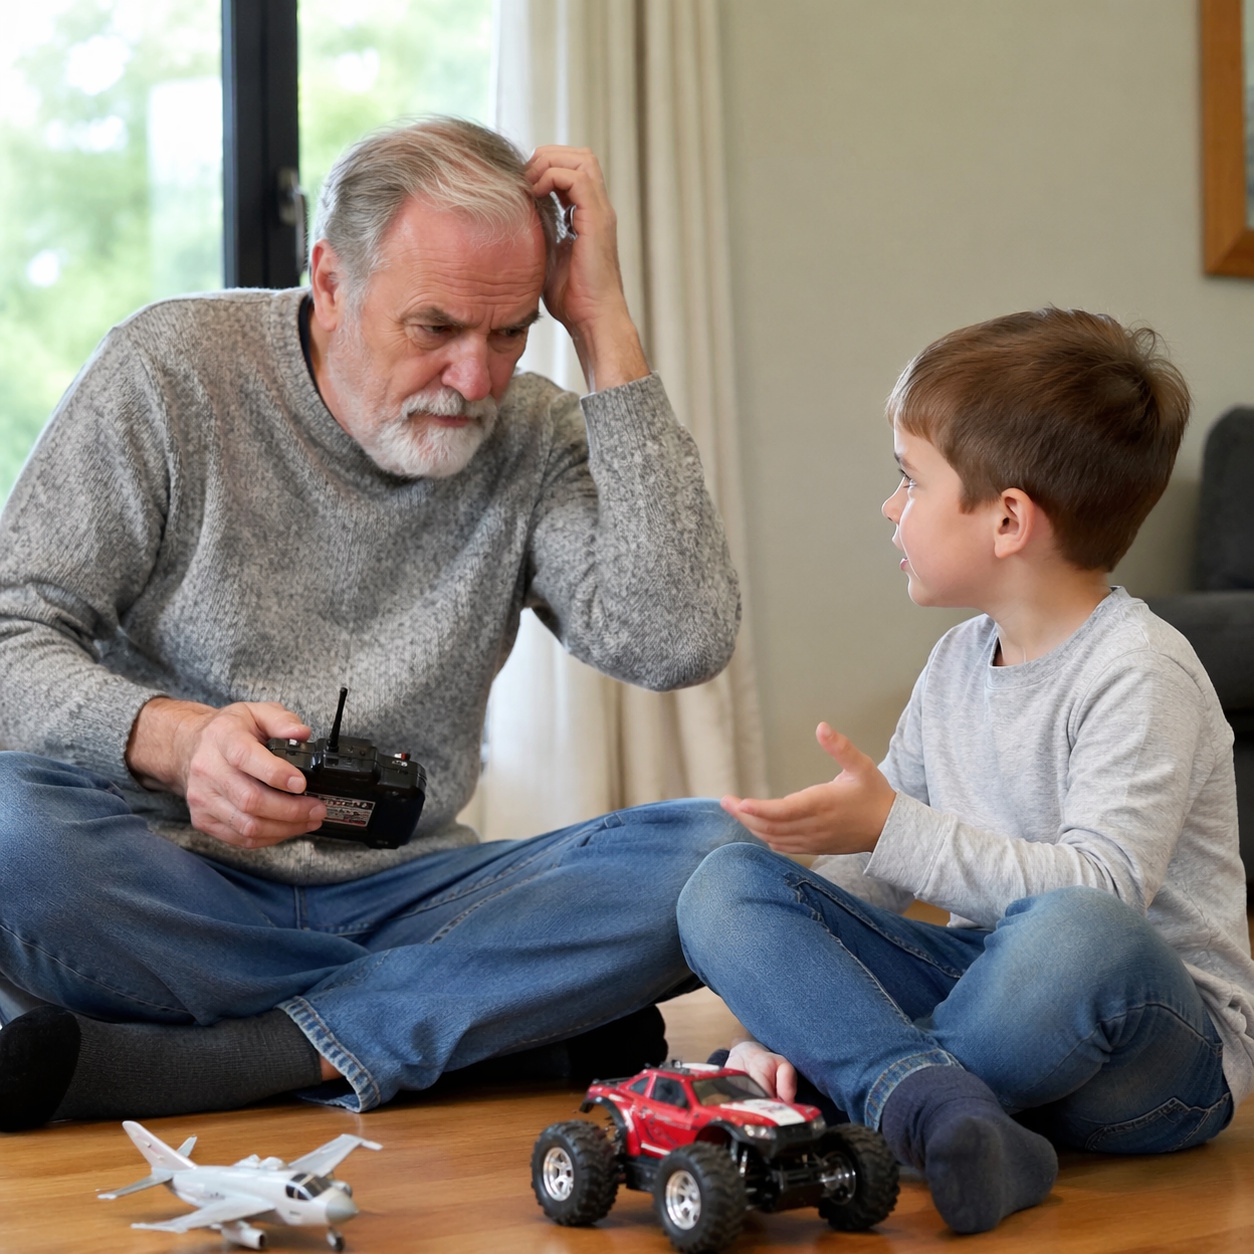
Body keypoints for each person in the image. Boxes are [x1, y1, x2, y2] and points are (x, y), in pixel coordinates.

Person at [0, 117, 746, 1132]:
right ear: (333, 279)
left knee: (717, 857)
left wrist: (605, 327)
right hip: (171, 879)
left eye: (511, 331)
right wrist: (175, 742)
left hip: (412, 893)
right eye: (434, 328)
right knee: (11, 827)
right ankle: (479, 1020)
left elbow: (679, 638)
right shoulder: (171, 370)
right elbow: (12, 634)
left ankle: (237, 1056)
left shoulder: (533, 430)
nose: (477, 380)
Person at [677, 308, 1254, 1234]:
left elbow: (1104, 893)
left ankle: (872, 1093)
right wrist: (775, 1021)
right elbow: (871, 880)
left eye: (909, 481)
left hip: (1147, 1059)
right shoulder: (955, 662)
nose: (889, 506)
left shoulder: (1141, 671)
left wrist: (891, 827)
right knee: (727, 884)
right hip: (995, 1022)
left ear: (1009, 520)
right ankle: (936, 1109)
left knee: (1075, 930)